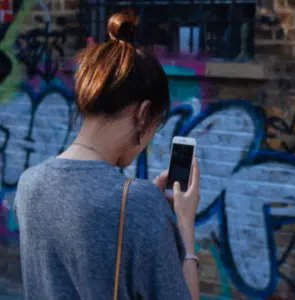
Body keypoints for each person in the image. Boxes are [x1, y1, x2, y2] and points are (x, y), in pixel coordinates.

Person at [14, 9, 200, 300]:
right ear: (142, 115)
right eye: (156, 125)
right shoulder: (141, 206)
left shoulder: (29, 184)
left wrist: (139, 205)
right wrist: (185, 224)